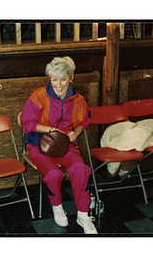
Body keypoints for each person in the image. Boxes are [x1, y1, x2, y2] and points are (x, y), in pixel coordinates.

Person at [20, 56, 97, 234]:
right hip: (39, 143)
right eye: (54, 80)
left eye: (63, 79)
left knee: (81, 168)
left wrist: (74, 134)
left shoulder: (78, 99)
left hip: (65, 145)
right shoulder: (39, 95)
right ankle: (57, 206)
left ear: (71, 77)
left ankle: (83, 215)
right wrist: (51, 130)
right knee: (54, 174)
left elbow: (83, 122)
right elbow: (27, 123)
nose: (59, 85)